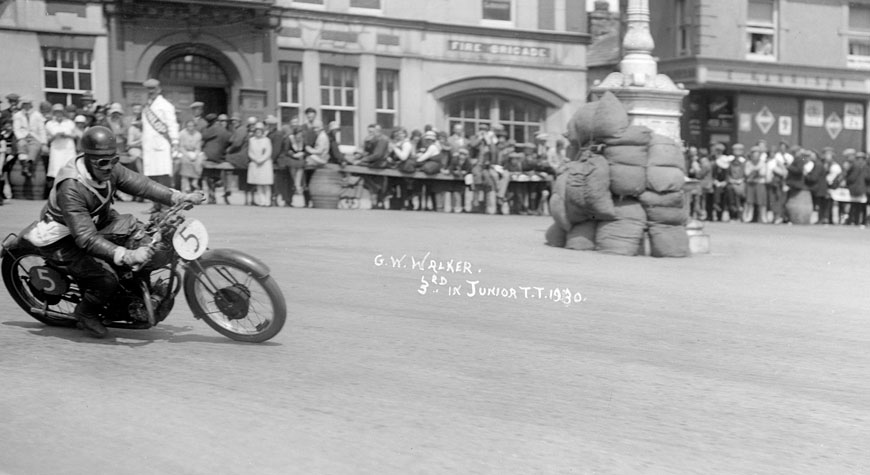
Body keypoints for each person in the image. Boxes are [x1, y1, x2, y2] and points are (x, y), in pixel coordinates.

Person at [22, 126, 204, 338]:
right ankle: (86, 313)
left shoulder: (107, 167)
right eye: (103, 162)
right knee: (105, 279)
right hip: (63, 238)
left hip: (97, 221)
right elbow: (86, 238)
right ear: (89, 159)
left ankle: (137, 288)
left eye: (113, 160)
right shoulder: (71, 187)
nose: (109, 167)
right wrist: (126, 254)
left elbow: (142, 185)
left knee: (142, 236)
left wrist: (178, 197)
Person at [140, 78, 180, 213]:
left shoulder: (165, 105)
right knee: (151, 178)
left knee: (163, 177)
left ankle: (165, 205)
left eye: (153, 89)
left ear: (159, 89)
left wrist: (175, 141)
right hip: (149, 146)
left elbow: (172, 124)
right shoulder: (147, 106)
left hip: (161, 145)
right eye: (148, 89)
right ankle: (155, 205)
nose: (150, 92)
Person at [45, 103, 78, 195]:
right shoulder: (50, 123)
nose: (58, 114)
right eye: (56, 112)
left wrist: (67, 135)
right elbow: (47, 138)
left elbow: (75, 135)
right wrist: (55, 136)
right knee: (56, 168)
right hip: (56, 148)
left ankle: (69, 191)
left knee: (69, 167)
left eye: (60, 112)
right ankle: (56, 192)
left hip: (68, 148)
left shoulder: (69, 123)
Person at [200, 113, 232, 204]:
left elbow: (202, 137)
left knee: (208, 174)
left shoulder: (208, 129)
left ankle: (212, 194)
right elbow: (230, 141)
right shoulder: (226, 132)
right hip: (219, 157)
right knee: (217, 173)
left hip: (209, 156)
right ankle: (219, 187)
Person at [12, 97, 46, 178]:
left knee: (34, 147)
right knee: (21, 146)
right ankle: (25, 167)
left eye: (28, 104)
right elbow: (16, 129)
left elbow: (42, 129)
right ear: (22, 105)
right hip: (23, 136)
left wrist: (44, 142)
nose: (26, 106)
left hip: (34, 136)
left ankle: (28, 165)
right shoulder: (18, 115)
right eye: (24, 104)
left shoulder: (37, 115)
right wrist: (20, 138)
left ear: (31, 105)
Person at [246, 122, 273, 206]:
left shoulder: (267, 140)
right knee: (258, 183)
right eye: (256, 130)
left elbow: (268, 152)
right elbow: (250, 152)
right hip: (255, 163)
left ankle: (268, 201)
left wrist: (262, 159)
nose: (258, 132)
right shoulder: (251, 140)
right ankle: (262, 200)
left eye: (260, 130)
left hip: (265, 163)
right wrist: (255, 159)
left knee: (266, 183)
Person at [177, 119, 204, 193]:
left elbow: (198, 148)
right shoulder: (182, 133)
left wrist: (195, 155)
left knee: (199, 161)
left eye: (192, 126)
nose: (190, 127)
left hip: (194, 152)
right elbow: (181, 146)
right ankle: (186, 185)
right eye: (189, 126)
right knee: (185, 162)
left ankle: (195, 181)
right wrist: (187, 155)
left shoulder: (198, 135)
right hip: (184, 152)